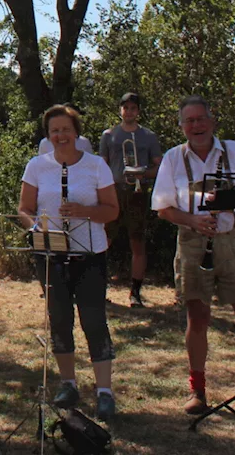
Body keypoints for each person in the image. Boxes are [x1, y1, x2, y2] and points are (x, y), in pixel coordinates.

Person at [153, 95, 235, 416]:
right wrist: (193, 220)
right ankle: (197, 390)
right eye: (189, 121)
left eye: (201, 119)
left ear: (212, 121)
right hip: (191, 241)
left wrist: (231, 203)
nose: (196, 126)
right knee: (197, 318)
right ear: (181, 126)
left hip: (231, 241)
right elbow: (162, 208)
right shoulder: (174, 158)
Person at [16, 104, 120, 420]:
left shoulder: (96, 165)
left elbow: (112, 211)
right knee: (59, 318)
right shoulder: (37, 165)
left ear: (76, 132)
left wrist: (83, 211)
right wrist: (36, 227)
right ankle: (68, 384)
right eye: (54, 131)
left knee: (93, 319)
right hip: (50, 252)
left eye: (65, 129)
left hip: (89, 253)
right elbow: (24, 209)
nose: (61, 135)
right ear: (48, 136)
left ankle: (104, 391)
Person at [98, 93, 163, 308]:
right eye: (125, 107)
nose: (129, 111)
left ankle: (135, 292)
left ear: (138, 111)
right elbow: (101, 166)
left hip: (138, 192)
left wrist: (143, 174)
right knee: (103, 240)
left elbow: (159, 166)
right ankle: (99, 288)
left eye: (133, 108)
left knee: (137, 242)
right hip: (114, 192)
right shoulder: (109, 135)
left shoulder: (149, 136)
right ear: (120, 110)